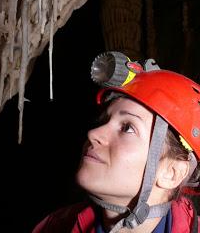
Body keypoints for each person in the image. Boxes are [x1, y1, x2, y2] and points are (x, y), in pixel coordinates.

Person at [32, 52, 200, 233]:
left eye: (128, 127)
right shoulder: (54, 227)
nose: (93, 133)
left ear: (172, 173)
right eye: (104, 121)